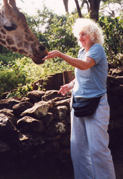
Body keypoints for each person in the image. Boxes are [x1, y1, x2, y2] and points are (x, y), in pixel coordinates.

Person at [43, 18, 116, 179]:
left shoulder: (97, 49)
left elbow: (84, 65)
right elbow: (84, 75)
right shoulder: (82, 52)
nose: (80, 37)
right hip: (79, 101)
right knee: (79, 148)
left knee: (98, 149)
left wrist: (61, 55)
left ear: (93, 34)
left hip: (96, 103)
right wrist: (70, 85)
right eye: (79, 34)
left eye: (84, 34)